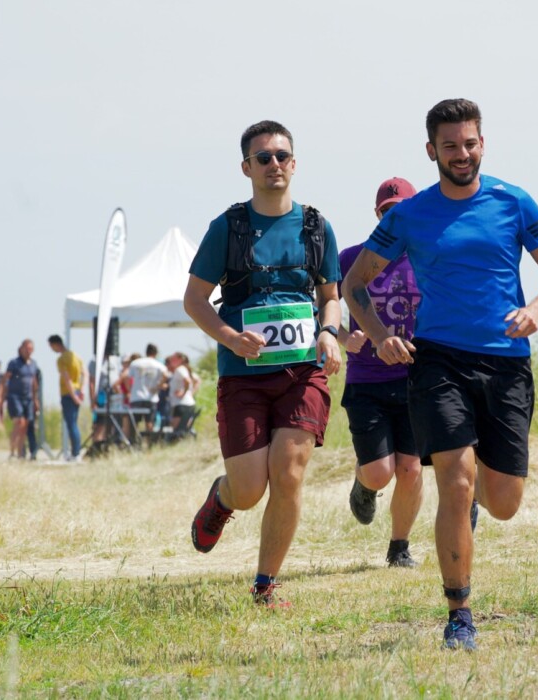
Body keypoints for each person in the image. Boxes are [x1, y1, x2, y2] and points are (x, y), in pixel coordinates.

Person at [342, 99, 538, 650]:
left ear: (482, 144)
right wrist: (380, 335)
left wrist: (536, 309)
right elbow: (354, 284)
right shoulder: (410, 215)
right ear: (432, 151)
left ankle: (470, 504)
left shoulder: (512, 201)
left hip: (506, 361)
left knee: (504, 502)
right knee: (455, 479)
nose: (461, 154)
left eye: (469, 143)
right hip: (438, 359)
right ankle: (459, 615)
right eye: (450, 146)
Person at [185, 119, 343, 608]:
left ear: (294, 164)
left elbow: (330, 296)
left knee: (289, 473)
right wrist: (231, 338)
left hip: (302, 372)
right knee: (251, 489)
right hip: (244, 377)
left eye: (282, 156)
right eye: (263, 157)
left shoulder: (316, 227)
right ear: (246, 168)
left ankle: (265, 584)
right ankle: (222, 498)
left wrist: (328, 332)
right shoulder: (227, 228)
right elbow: (194, 300)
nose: (274, 164)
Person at [339, 177, 425, 568]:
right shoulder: (350, 259)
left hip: (414, 381)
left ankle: (399, 548)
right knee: (379, 473)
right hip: (367, 380)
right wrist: (345, 338)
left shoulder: (429, 259)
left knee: (410, 468)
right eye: (386, 211)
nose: (393, 217)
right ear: (377, 216)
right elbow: (319, 309)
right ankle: (364, 484)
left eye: (401, 210)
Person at [0, 339, 40, 461]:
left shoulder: (33, 364)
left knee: (25, 426)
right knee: (19, 423)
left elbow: (34, 383)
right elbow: (4, 380)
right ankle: (12, 452)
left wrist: (35, 400)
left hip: (28, 398)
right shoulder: (14, 363)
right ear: (21, 349)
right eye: (26, 349)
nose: (28, 351)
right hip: (15, 397)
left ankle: (21, 453)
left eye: (31, 349)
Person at [48, 335, 87, 461]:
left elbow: (66, 378)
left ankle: (76, 453)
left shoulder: (61, 359)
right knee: (74, 423)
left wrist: (73, 396)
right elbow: (85, 373)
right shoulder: (76, 356)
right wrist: (82, 390)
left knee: (71, 424)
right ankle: (75, 452)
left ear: (55, 344)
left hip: (68, 393)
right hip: (77, 391)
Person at [125, 343, 170, 437]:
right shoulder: (158, 364)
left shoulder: (135, 363)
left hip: (136, 397)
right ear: (156, 353)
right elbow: (166, 375)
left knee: (134, 422)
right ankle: (149, 441)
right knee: (150, 422)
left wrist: (129, 390)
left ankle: (132, 441)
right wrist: (158, 386)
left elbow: (127, 378)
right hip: (151, 397)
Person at [166, 351, 200, 436]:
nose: (171, 360)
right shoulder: (183, 369)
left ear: (180, 360)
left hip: (181, 404)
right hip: (186, 404)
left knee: (176, 431)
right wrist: (190, 393)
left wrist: (183, 393)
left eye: (173, 359)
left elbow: (187, 381)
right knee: (183, 429)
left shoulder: (180, 369)